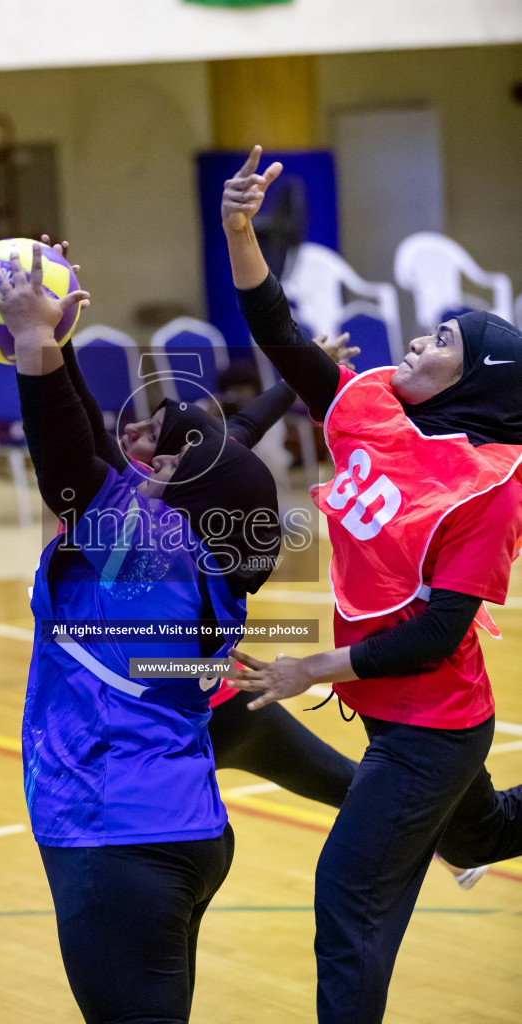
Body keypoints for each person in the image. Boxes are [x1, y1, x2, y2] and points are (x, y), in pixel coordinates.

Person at [220, 146, 522, 1024]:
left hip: (430, 729)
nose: (416, 344)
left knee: (347, 899)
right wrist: (240, 229)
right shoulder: (371, 414)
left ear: (474, 382)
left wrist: (311, 669)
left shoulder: (487, 487)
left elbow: (433, 635)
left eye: (441, 343)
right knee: (487, 834)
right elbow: (277, 330)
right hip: (406, 715)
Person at [0, 242, 286, 1024]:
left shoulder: (141, 555)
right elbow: (85, 450)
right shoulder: (202, 565)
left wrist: (33, 342)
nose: (137, 446)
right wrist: (62, 340)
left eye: (157, 444)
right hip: (180, 828)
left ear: (180, 493)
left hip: (114, 838)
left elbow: (63, 463)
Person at [39, 232, 359, 811]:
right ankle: (448, 835)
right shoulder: (177, 491)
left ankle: (452, 834)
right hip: (200, 679)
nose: (133, 432)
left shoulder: (134, 502)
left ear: (181, 466)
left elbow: (76, 429)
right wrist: (301, 376)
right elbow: (244, 429)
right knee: (347, 785)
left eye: (153, 434)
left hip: (187, 703)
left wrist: (46, 342)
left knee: (345, 784)